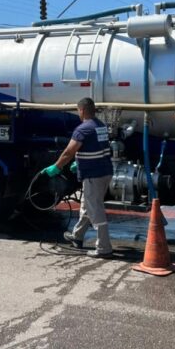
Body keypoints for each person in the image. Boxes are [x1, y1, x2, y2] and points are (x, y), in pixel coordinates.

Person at [41, 97, 113, 258]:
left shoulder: (83, 129)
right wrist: (79, 164)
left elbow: (68, 152)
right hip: (104, 172)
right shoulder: (101, 126)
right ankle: (77, 236)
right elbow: (97, 147)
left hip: (93, 175)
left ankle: (104, 248)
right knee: (87, 205)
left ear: (81, 110)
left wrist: (57, 166)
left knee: (95, 210)